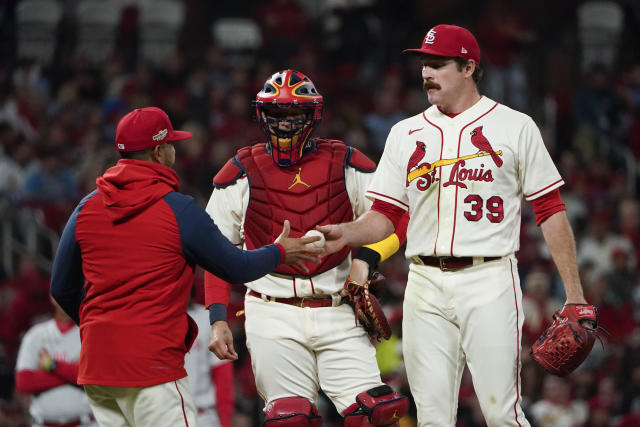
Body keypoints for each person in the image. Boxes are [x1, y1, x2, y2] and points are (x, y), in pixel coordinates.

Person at [318, 24, 593, 426]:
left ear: (468, 67)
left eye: (437, 64)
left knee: (501, 413)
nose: (426, 73)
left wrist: (574, 293)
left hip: (489, 279)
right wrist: (346, 233)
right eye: (424, 65)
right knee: (431, 418)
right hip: (424, 283)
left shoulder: (515, 126)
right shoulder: (405, 133)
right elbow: (386, 217)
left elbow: (550, 208)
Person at [49, 106, 322, 427]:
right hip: (151, 365)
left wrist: (103, 329)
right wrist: (279, 252)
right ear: (159, 151)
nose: (174, 150)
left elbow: (60, 288)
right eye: (172, 144)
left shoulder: (85, 207)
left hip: (98, 368)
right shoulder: (177, 209)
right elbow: (234, 267)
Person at [205, 69, 409, 426]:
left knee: (376, 413)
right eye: (277, 114)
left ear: (312, 115)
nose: (284, 125)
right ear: (262, 115)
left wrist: (366, 261)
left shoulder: (345, 162)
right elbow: (216, 251)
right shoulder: (240, 170)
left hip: (339, 306)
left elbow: (396, 216)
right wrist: (218, 318)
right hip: (271, 311)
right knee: (290, 419)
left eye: (294, 114)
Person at [15, 297, 96, 427]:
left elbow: (93, 377)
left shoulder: (90, 333)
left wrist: (51, 365)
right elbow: (24, 382)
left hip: (84, 422)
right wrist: (73, 372)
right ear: (52, 297)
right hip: (42, 423)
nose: (67, 296)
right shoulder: (35, 335)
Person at [185, 292, 234, 427]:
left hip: (203, 416)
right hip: (162, 415)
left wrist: (226, 422)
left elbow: (223, 376)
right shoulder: (153, 320)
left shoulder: (208, 318)